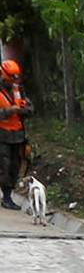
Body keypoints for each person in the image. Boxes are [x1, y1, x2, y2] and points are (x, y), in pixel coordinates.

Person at [0, 59, 30, 212]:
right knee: (4, 166)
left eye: (15, 78)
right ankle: (6, 197)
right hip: (2, 136)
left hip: (18, 135)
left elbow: (30, 107)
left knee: (15, 166)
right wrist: (8, 112)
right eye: (11, 77)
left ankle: (8, 195)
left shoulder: (19, 90)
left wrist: (25, 110)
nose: (13, 81)